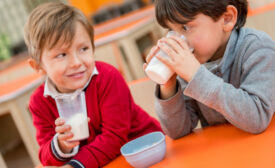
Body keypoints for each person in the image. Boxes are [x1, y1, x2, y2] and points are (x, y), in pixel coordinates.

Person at [25, 2, 162, 168]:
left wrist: (75, 165)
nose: (76, 62)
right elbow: (45, 155)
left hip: (145, 152)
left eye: (83, 49)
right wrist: (60, 146)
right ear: (37, 66)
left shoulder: (107, 78)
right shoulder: (39, 102)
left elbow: (114, 138)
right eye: (62, 54)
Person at [144, 0, 275, 139]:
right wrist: (168, 86)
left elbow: (257, 118)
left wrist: (196, 76)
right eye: (171, 30)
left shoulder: (257, 48)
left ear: (227, 18)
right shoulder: (191, 61)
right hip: (226, 151)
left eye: (185, 27)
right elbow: (178, 131)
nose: (179, 41)